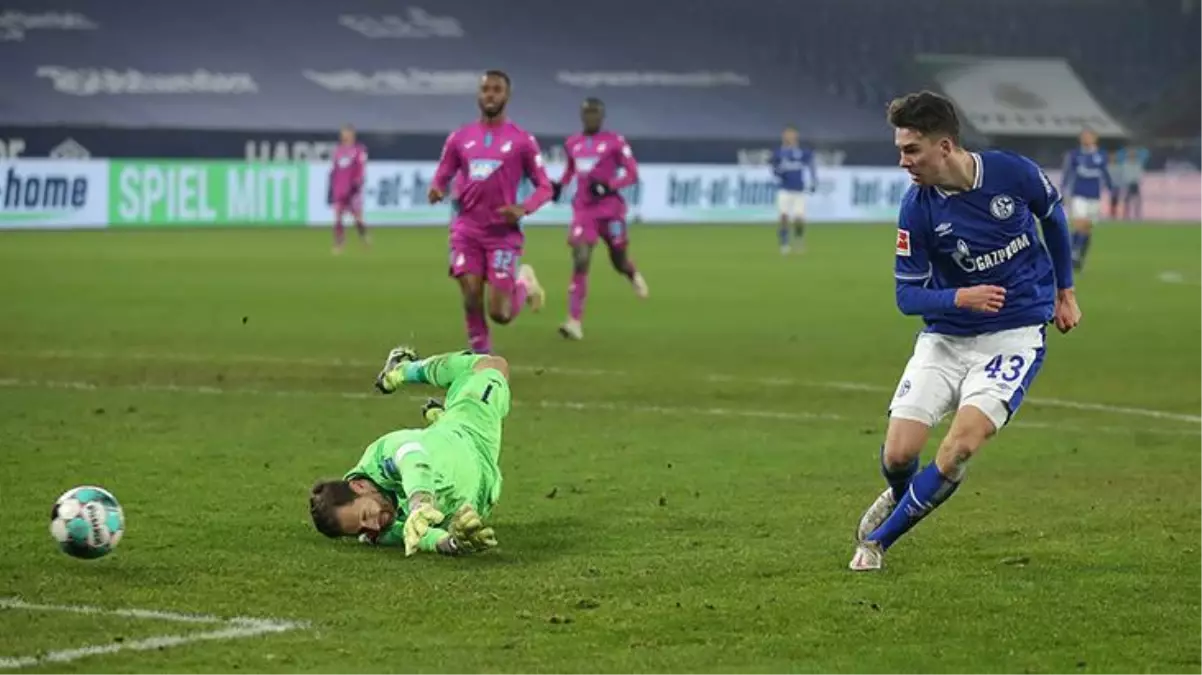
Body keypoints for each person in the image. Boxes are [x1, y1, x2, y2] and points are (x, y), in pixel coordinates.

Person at [849, 91, 1082, 572]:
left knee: (958, 449)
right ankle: (901, 492)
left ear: (946, 147)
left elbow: (1053, 218)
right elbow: (906, 297)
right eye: (900, 150)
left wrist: (1066, 291)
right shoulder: (918, 208)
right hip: (946, 339)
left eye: (911, 150)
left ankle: (875, 545)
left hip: (1014, 335)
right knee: (898, 454)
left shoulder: (1011, 172)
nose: (902, 162)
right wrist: (961, 297)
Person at [308, 346, 511, 556]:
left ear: (359, 486)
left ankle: (402, 371)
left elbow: (412, 459)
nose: (375, 526)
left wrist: (420, 504)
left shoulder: (382, 456)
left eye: (367, 515)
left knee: (492, 366)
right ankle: (440, 416)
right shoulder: (378, 532)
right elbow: (423, 536)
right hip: (482, 487)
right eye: (361, 530)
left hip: (469, 433)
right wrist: (454, 544)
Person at [429, 70, 554, 354]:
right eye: (486, 89)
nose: (490, 95)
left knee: (500, 313)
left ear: (506, 96)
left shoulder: (522, 140)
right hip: (466, 230)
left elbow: (545, 187)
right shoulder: (460, 138)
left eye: (497, 89)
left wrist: (523, 208)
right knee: (470, 294)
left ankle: (524, 282)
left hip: (502, 234)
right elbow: (444, 173)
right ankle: (482, 360)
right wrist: (437, 187)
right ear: (478, 94)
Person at [551, 97, 647, 341]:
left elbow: (632, 173)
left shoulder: (615, 142)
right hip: (584, 212)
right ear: (581, 116)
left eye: (595, 113)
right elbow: (570, 170)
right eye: (587, 113)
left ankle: (632, 274)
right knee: (581, 258)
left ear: (602, 116)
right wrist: (559, 186)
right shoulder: (573, 143)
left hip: (611, 210)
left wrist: (609, 186)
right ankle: (574, 321)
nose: (591, 117)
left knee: (618, 259)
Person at [1060, 129, 1114, 271]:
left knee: (1087, 228)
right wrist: (1062, 191)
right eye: (1084, 136)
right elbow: (1068, 174)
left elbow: (1105, 173)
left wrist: (1110, 188)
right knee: (1080, 223)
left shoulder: (1100, 155)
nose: (1086, 139)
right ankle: (1072, 255)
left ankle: (1079, 256)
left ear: (1095, 139)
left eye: (1089, 136)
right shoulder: (1075, 155)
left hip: (1094, 196)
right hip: (1079, 194)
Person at [770, 125, 818, 254]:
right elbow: (774, 167)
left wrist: (813, 180)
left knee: (799, 218)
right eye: (787, 135)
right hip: (784, 189)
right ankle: (784, 243)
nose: (790, 138)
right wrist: (777, 175)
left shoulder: (802, 152)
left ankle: (798, 239)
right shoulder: (779, 152)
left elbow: (811, 163)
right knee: (784, 216)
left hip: (799, 190)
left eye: (792, 135)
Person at [329, 125, 369, 253]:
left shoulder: (359, 150)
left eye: (346, 134)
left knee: (357, 217)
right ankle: (339, 242)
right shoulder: (338, 151)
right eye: (343, 134)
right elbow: (335, 170)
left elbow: (361, 169)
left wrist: (357, 183)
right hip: (339, 188)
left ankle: (364, 238)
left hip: (353, 189)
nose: (344, 136)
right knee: (338, 215)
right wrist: (333, 186)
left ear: (352, 135)